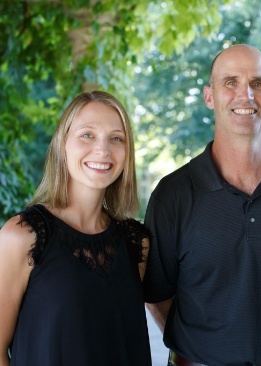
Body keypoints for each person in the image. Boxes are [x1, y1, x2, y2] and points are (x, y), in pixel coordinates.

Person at [143, 44, 261, 365]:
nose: (245, 94)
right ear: (209, 96)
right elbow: (157, 295)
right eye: (230, 82)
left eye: (258, 83)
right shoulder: (172, 193)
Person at [0, 91, 152, 366]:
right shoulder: (22, 235)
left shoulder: (136, 242)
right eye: (87, 135)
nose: (103, 150)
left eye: (116, 138)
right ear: (62, 144)